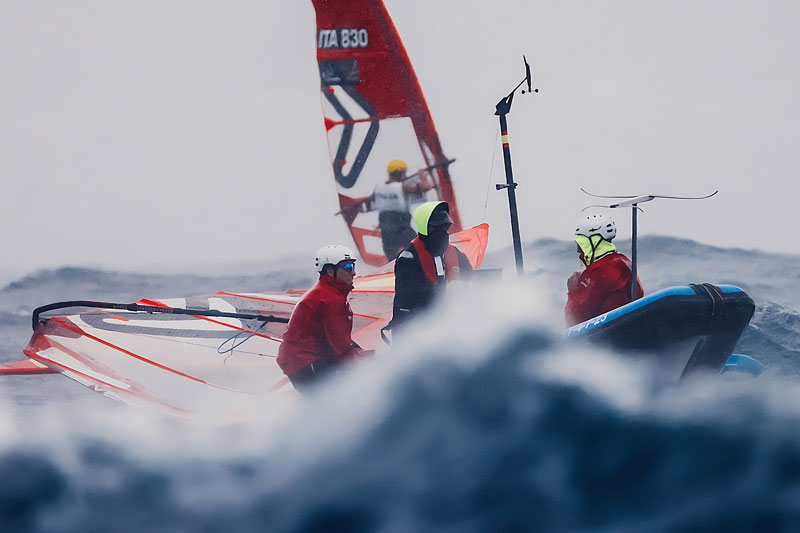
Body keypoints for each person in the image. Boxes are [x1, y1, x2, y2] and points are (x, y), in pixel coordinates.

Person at [277, 244, 366, 391]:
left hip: (303, 359)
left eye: (354, 266)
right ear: (331, 271)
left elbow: (338, 341)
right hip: (305, 361)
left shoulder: (327, 292)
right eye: (348, 267)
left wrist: (360, 352)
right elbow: (341, 346)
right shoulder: (330, 299)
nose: (354, 272)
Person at [390, 201, 473, 330]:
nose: (442, 233)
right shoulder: (408, 258)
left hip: (449, 325)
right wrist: (445, 293)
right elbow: (411, 298)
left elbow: (472, 278)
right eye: (437, 228)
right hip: (416, 328)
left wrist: (463, 286)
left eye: (445, 228)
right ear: (425, 228)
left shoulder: (455, 253)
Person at [565, 213, 644, 327]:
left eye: (581, 245)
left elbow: (574, 319)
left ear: (592, 243)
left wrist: (572, 291)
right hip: (630, 325)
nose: (579, 251)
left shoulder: (598, 271)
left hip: (608, 333)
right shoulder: (624, 261)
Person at [372, 159, 435, 261]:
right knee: (421, 250)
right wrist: (421, 175)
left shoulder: (378, 189)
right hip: (402, 230)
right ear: (401, 174)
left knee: (392, 261)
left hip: (387, 235)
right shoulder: (403, 187)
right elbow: (427, 186)